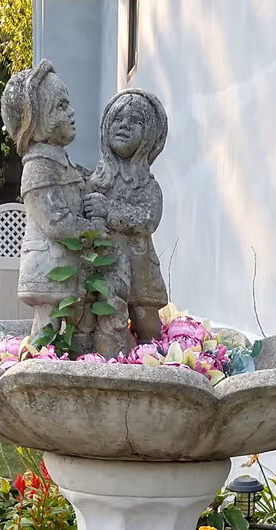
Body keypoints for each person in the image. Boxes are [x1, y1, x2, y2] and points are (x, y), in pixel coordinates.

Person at [0, 62, 105, 347]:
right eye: (61, 106)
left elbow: (90, 186)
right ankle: (34, 378)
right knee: (45, 333)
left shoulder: (64, 164)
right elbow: (56, 221)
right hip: (47, 270)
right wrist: (94, 231)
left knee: (80, 333)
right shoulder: (38, 169)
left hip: (70, 268)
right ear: (39, 120)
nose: (71, 112)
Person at [91, 88, 170, 353]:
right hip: (105, 264)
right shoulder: (97, 181)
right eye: (117, 119)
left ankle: (155, 361)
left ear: (149, 137)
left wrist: (109, 210)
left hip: (140, 268)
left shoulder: (148, 186)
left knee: (146, 320)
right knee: (102, 318)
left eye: (135, 120)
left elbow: (148, 219)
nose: (124, 125)